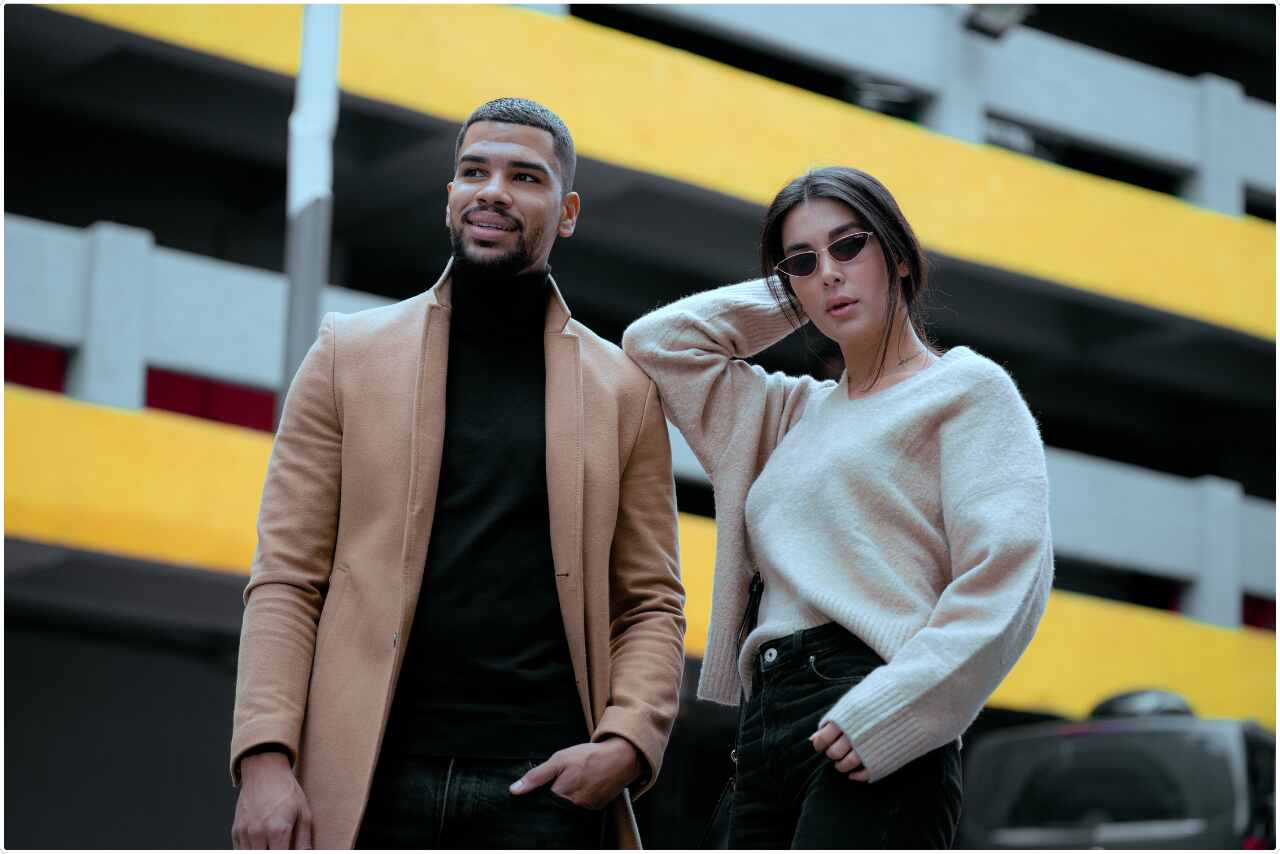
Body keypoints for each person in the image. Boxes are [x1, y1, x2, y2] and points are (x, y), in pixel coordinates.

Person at [230, 97, 686, 850]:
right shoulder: (348, 354)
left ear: (567, 212)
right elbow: (286, 575)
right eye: (474, 171)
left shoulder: (625, 390)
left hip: (546, 790)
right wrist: (265, 757)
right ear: (450, 197)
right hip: (367, 779)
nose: (493, 191)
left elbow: (650, 603)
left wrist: (628, 741)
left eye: (524, 177)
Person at [622, 166, 1053, 848]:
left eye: (850, 247)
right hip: (762, 726)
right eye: (803, 260)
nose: (829, 271)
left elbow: (1009, 577)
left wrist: (900, 708)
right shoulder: (788, 411)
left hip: (873, 700)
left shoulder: (967, 391)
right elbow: (658, 343)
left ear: (901, 257)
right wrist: (800, 294)